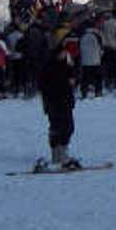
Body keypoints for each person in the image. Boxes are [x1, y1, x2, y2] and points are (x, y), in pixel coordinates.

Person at [38, 32, 78, 169]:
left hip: (65, 100)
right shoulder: (49, 65)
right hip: (54, 101)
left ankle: (63, 151)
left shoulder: (66, 63)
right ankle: (57, 153)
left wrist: (72, 80)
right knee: (57, 127)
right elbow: (44, 84)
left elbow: (72, 76)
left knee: (68, 127)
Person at [79, 24, 103, 99]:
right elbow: (101, 47)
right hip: (95, 60)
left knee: (85, 77)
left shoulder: (82, 35)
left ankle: (84, 92)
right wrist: (100, 56)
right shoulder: (97, 35)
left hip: (85, 60)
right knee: (98, 77)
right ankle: (98, 92)